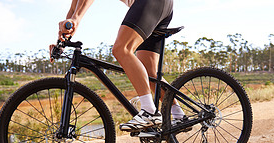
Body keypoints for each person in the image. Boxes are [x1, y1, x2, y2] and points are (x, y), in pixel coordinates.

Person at [54, 0, 185, 131]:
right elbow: (73, 11)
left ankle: (149, 112)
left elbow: (76, 15)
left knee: (121, 49)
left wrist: (76, 19)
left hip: (150, 3)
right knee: (149, 73)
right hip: (159, 6)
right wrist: (61, 41)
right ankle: (179, 116)